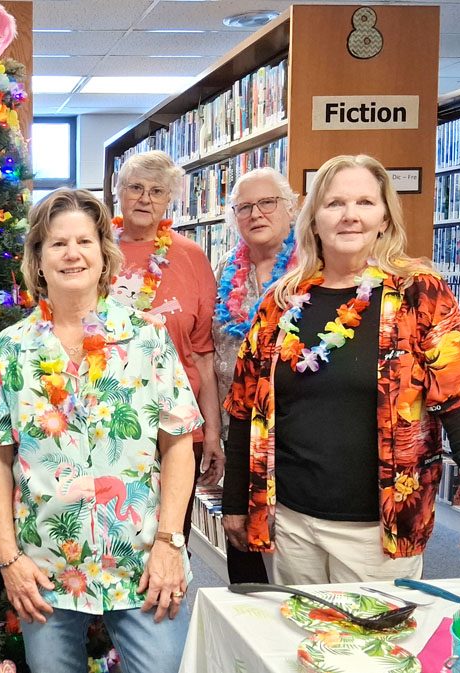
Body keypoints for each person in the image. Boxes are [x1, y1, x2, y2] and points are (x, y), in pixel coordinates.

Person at [223, 154, 460, 587]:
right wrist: (237, 501)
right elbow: (243, 407)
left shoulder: (417, 293)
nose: (350, 216)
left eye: (364, 203)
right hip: (289, 521)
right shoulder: (279, 303)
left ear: (384, 218)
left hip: (378, 530)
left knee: (374, 648)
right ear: (313, 220)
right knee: (297, 646)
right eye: (334, 204)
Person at [0, 189, 203, 673]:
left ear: (103, 255)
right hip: (45, 566)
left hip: (143, 562)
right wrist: (10, 559)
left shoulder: (147, 336)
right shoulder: (9, 349)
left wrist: (170, 542)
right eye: (57, 244)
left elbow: (179, 442)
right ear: (37, 259)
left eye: (84, 241)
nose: (72, 254)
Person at [109, 150, 224, 550]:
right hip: (107, 417)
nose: (145, 199)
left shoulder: (191, 257)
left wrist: (212, 432)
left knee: (169, 537)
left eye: (157, 191)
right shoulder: (93, 249)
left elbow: (202, 354)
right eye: (135, 188)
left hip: (176, 421)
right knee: (109, 535)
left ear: (169, 200)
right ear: (118, 192)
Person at [212, 167, 299, 584]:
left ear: (290, 208)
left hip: (295, 433)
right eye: (244, 207)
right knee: (241, 539)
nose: (256, 214)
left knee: (296, 546)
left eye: (267, 203)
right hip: (239, 427)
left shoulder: (313, 268)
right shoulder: (225, 269)